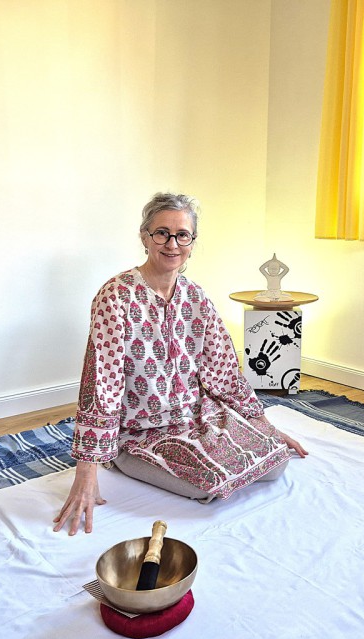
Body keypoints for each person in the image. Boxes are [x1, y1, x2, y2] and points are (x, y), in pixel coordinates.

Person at [54, 193, 307, 536]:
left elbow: (224, 370)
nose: (172, 244)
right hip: (140, 430)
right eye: (162, 233)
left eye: (182, 235)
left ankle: (223, 447)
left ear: (192, 242)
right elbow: (102, 384)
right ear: (145, 237)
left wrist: (263, 426)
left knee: (274, 461)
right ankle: (119, 457)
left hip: (197, 416)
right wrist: (87, 472)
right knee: (210, 483)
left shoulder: (196, 296)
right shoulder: (115, 296)